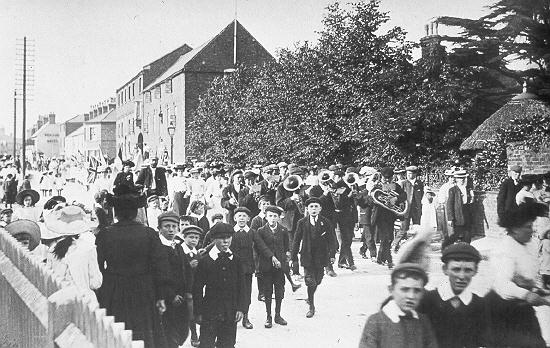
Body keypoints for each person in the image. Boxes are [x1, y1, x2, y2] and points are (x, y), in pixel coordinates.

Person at [95, 184, 170, 348]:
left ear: (116, 211)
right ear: (136, 211)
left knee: (116, 331)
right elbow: (160, 268)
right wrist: (160, 296)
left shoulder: (105, 234)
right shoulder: (149, 233)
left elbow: (98, 267)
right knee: (142, 331)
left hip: (114, 290)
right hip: (144, 290)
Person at [485, 201, 550, 347]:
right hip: (501, 308)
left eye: (532, 226)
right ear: (514, 229)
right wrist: (526, 294)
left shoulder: (530, 244)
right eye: (528, 227)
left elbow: (527, 276)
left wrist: (536, 289)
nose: (532, 231)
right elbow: (502, 285)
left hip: (522, 307)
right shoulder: (504, 249)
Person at [418, 243, 491, 348]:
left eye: (468, 270)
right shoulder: (427, 300)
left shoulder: (480, 304)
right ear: (445, 269)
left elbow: (484, 341)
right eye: (456, 269)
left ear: (475, 271)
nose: (461, 276)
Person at [358, 263, 438, 348]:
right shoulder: (376, 322)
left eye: (417, 291)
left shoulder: (423, 321)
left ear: (423, 293)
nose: (411, 296)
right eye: (404, 289)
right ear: (391, 289)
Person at [192, 222, 246, 348]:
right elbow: (197, 288)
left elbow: (242, 286)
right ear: (213, 239)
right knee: (206, 342)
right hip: (210, 311)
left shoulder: (236, 260)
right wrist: (198, 312)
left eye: (228, 237)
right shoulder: (205, 261)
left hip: (230, 311)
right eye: (222, 238)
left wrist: (240, 308)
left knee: (227, 343)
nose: (226, 241)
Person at [44, 205, 102, 302]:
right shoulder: (88, 248)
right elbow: (95, 283)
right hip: (84, 300)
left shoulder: (53, 249)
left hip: (59, 298)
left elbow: (48, 280)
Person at [292, 197, 336, 318]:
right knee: (310, 281)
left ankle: (309, 296)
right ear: (307, 209)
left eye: (316, 206)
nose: (314, 209)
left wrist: (332, 255)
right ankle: (311, 306)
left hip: (321, 257)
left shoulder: (326, 222)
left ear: (320, 208)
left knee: (318, 280)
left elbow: (332, 240)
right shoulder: (302, 222)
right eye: (311, 207)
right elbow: (296, 240)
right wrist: (293, 257)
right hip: (307, 256)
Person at [156, 211, 193, 348]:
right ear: (159, 228)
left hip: (182, 296)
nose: (171, 230)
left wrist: (188, 291)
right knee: (169, 333)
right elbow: (159, 274)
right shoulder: (158, 247)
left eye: (174, 226)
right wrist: (170, 295)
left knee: (183, 330)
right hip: (166, 298)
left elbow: (186, 270)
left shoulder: (178, 245)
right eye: (167, 226)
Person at [255, 205, 291, 328]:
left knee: (279, 291)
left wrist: (287, 255)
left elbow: (287, 246)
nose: (273, 218)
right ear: (266, 216)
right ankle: (268, 316)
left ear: (279, 217)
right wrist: (271, 258)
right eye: (270, 216)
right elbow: (259, 248)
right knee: (268, 291)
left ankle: (278, 315)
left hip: (280, 267)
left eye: (275, 216)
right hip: (266, 266)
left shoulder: (283, 230)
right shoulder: (260, 231)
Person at [371, 167, 406, 269]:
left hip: (391, 215)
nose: (387, 180)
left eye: (389, 178)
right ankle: (389, 260)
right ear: (381, 176)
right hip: (380, 215)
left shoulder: (395, 186)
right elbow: (372, 198)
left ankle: (381, 258)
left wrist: (396, 198)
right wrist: (380, 199)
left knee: (389, 238)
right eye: (385, 178)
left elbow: (404, 195)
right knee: (386, 237)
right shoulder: (377, 186)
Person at [230, 207, 256, 329]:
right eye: (239, 216)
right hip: (232, 268)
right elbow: (217, 243)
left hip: (247, 269)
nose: (241, 218)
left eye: (244, 216)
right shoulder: (230, 232)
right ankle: (233, 317)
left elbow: (262, 246)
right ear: (235, 218)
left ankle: (245, 317)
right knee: (232, 291)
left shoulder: (251, 232)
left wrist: (272, 257)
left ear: (248, 219)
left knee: (246, 293)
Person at [179, 225, 203, 348]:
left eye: (196, 238)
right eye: (191, 237)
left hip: (196, 287)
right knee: (190, 311)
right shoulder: (180, 251)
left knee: (198, 309)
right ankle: (194, 334)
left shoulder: (196, 252)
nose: (194, 240)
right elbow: (176, 269)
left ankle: (202, 335)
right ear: (184, 237)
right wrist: (189, 266)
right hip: (184, 287)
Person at [331, 169, 358, 270]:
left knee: (349, 239)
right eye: (338, 177)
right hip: (341, 216)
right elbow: (337, 203)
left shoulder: (353, 184)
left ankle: (342, 261)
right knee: (345, 239)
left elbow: (354, 203)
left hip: (350, 215)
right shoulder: (336, 186)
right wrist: (348, 196)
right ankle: (350, 262)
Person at [394, 166, 424, 253]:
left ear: (415, 174)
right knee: (403, 229)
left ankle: (414, 248)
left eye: (411, 173)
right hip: (405, 209)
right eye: (408, 174)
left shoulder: (419, 184)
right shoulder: (403, 183)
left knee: (416, 229)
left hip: (416, 209)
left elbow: (420, 195)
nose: (409, 175)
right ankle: (394, 245)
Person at [445, 170, 474, 248]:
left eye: (463, 178)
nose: (462, 180)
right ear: (456, 179)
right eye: (460, 178)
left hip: (466, 212)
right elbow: (449, 204)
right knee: (458, 235)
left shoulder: (467, 189)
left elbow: (470, 201)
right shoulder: (453, 190)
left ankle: (467, 249)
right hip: (457, 215)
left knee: (467, 235)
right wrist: (450, 218)